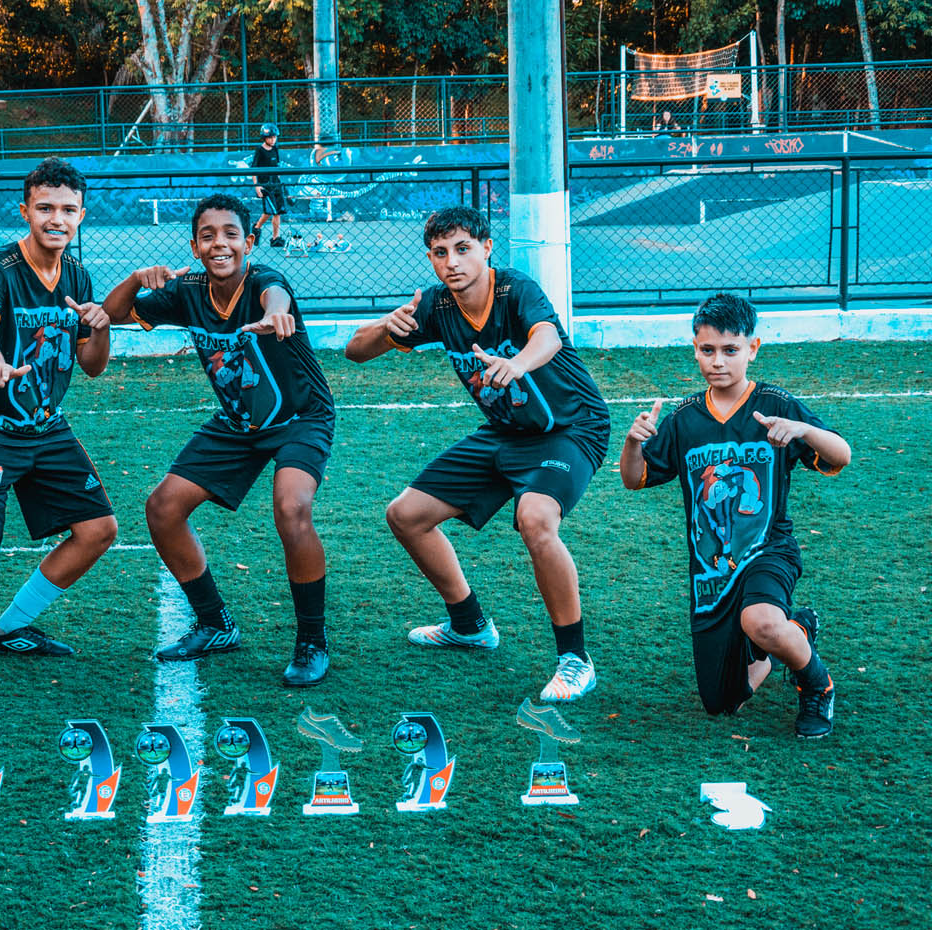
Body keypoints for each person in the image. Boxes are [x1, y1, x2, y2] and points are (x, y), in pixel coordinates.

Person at [345, 206, 611, 703]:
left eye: (463, 249)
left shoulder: (515, 289)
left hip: (571, 427)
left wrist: (518, 363)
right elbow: (354, 351)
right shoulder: (435, 306)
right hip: (507, 431)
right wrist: (387, 327)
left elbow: (548, 336)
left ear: (487, 249)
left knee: (535, 518)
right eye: (440, 253)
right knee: (406, 515)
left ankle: (576, 659)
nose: (452, 262)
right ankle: (469, 626)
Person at [104, 193, 336, 687]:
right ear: (194, 246)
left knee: (291, 507)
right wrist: (136, 279)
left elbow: (277, 294)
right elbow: (112, 313)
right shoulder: (187, 291)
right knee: (162, 509)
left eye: (231, 234)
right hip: (238, 421)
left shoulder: (265, 281)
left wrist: (277, 314)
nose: (220, 244)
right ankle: (215, 624)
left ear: (249, 241)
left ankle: (312, 640)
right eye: (207, 236)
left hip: (299, 416)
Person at [619, 293, 848, 738]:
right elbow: (634, 478)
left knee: (759, 621)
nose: (718, 361)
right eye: (707, 350)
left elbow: (842, 455)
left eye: (730, 350)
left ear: (752, 349)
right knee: (722, 703)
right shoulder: (685, 417)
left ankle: (816, 683)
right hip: (712, 570)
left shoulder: (776, 404)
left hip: (768, 551)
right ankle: (797, 630)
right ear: (695, 349)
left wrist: (803, 429)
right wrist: (633, 442)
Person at [0, 157, 117, 718]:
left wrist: (100, 328)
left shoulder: (78, 277)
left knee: (98, 530)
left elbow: (92, 366)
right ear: (25, 211)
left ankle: (10, 628)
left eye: (67, 209)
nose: (56, 219)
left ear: (81, 215)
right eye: (45, 208)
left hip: (45, 425)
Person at [250, 124, 288, 248]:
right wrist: (257, 186)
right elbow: (254, 169)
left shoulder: (275, 148)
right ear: (264, 138)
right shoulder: (259, 150)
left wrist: (280, 181)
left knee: (278, 212)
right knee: (269, 211)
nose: (273, 140)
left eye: (275, 137)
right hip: (265, 185)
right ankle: (256, 227)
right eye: (270, 137)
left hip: (276, 184)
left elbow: (277, 165)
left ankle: (275, 238)